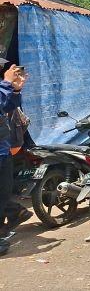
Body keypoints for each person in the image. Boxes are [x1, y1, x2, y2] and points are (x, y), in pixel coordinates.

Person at [0, 60, 31, 257]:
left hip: (3, 152)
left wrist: (16, 90)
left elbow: (8, 107)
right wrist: (6, 84)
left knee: (3, 195)